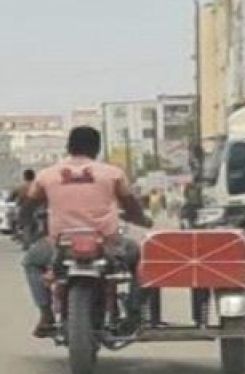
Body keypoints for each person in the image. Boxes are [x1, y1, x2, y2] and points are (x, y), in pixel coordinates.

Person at [19, 127, 152, 338]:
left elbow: (27, 208)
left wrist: (25, 225)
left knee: (31, 262)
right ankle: (134, 312)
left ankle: (46, 314)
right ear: (97, 148)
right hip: (108, 244)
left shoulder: (46, 175)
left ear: (69, 147)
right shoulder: (113, 174)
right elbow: (131, 206)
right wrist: (142, 220)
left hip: (61, 245)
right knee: (142, 259)